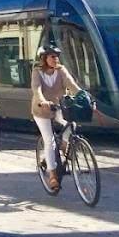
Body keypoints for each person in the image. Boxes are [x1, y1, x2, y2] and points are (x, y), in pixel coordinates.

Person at [31, 44, 82, 189]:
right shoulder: (37, 72)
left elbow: (71, 84)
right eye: (52, 56)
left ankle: (63, 145)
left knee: (71, 125)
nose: (56, 59)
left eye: (57, 56)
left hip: (60, 106)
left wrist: (83, 96)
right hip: (42, 110)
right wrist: (42, 101)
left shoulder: (61, 70)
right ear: (44, 59)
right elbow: (37, 88)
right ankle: (52, 175)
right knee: (49, 141)